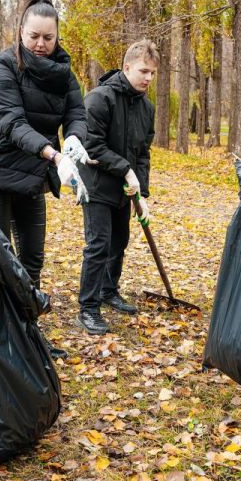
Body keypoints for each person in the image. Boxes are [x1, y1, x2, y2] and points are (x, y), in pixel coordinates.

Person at [0, 0, 89, 359]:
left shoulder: (64, 72)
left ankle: (26, 336)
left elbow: (76, 112)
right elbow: (11, 124)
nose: (40, 44)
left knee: (31, 259)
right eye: (34, 36)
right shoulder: (2, 67)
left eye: (48, 38)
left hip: (31, 175)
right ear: (21, 32)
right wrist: (53, 154)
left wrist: (76, 139)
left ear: (57, 37)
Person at [75, 40, 158, 334]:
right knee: (98, 245)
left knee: (118, 242)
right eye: (143, 71)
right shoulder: (99, 99)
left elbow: (143, 152)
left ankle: (109, 291)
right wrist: (125, 170)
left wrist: (142, 192)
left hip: (125, 191)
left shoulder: (147, 107)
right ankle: (88, 307)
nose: (148, 78)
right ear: (126, 67)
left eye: (152, 73)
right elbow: (92, 145)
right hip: (97, 186)